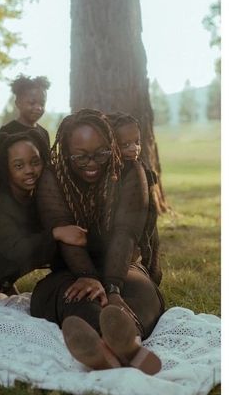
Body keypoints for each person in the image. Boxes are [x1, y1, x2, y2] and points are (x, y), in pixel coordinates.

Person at [30, 108, 165, 374]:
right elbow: (64, 231)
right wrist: (87, 276)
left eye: (100, 153)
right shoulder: (52, 176)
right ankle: (110, 349)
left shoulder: (130, 172)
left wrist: (113, 287)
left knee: (139, 296)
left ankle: (124, 342)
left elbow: (126, 232)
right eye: (80, 157)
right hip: (71, 269)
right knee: (76, 298)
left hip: (123, 265)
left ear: (112, 146)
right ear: (66, 152)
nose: (91, 163)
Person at [0, 129, 87, 303]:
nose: (30, 170)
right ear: (6, 169)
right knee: (19, 244)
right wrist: (56, 233)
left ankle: (2, 284)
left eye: (35, 162)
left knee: (37, 242)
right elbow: (11, 247)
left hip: (2, 248)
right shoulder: (0, 201)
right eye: (19, 166)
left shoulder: (36, 197)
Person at [0, 75, 52, 193]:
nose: (38, 108)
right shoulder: (9, 130)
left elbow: (47, 163)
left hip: (36, 191)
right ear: (18, 103)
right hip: (10, 191)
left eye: (42, 104)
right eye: (32, 103)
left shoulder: (43, 133)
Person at [109, 112, 162, 286]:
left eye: (137, 142)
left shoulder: (139, 169)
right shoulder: (110, 173)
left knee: (151, 262)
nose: (134, 149)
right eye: (125, 145)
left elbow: (150, 210)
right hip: (123, 231)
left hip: (145, 226)